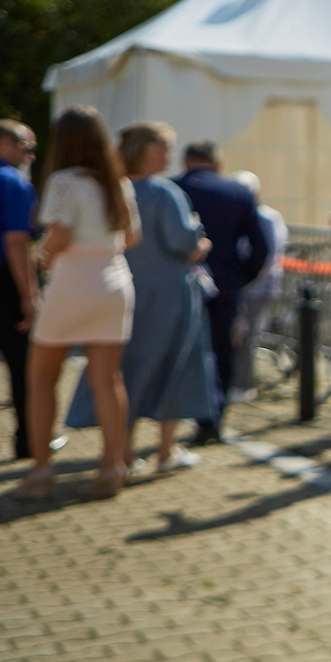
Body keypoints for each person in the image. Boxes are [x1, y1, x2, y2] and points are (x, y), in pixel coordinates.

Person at [69, 123, 215, 473]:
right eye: (166, 147)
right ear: (150, 151)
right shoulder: (164, 192)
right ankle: (166, 451)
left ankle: (124, 452)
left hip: (123, 292)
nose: (170, 155)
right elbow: (184, 244)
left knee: (126, 371)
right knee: (174, 369)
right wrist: (202, 243)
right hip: (168, 296)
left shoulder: (110, 188)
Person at [19, 107, 140, 500]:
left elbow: (61, 232)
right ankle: (112, 464)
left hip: (73, 280)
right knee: (108, 379)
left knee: (40, 376)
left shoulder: (64, 180)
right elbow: (131, 238)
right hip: (114, 279)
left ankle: (40, 470)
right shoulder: (118, 182)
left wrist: (43, 253)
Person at [177, 141, 268, 443]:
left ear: (186, 160)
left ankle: (182, 417)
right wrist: (241, 278)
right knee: (221, 349)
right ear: (218, 163)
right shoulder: (237, 193)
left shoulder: (172, 189)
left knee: (183, 350)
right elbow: (261, 246)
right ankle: (213, 418)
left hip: (179, 283)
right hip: (225, 284)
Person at [0, 119, 39, 467]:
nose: (30, 157)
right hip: (2, 284)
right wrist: (29, 296)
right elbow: (17, 241)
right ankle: (29, 442)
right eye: (27, 148)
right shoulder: (11, 181)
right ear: (6, 144)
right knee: (23, 367)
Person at [226, 170, 288, 402]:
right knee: (235, 335)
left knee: (246, 336)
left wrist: (246, 282)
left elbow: (267, 256)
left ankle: (244, 385)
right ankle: (235, 381)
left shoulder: (268, 217)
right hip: (241, 286)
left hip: (257, 287)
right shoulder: (235, 215)